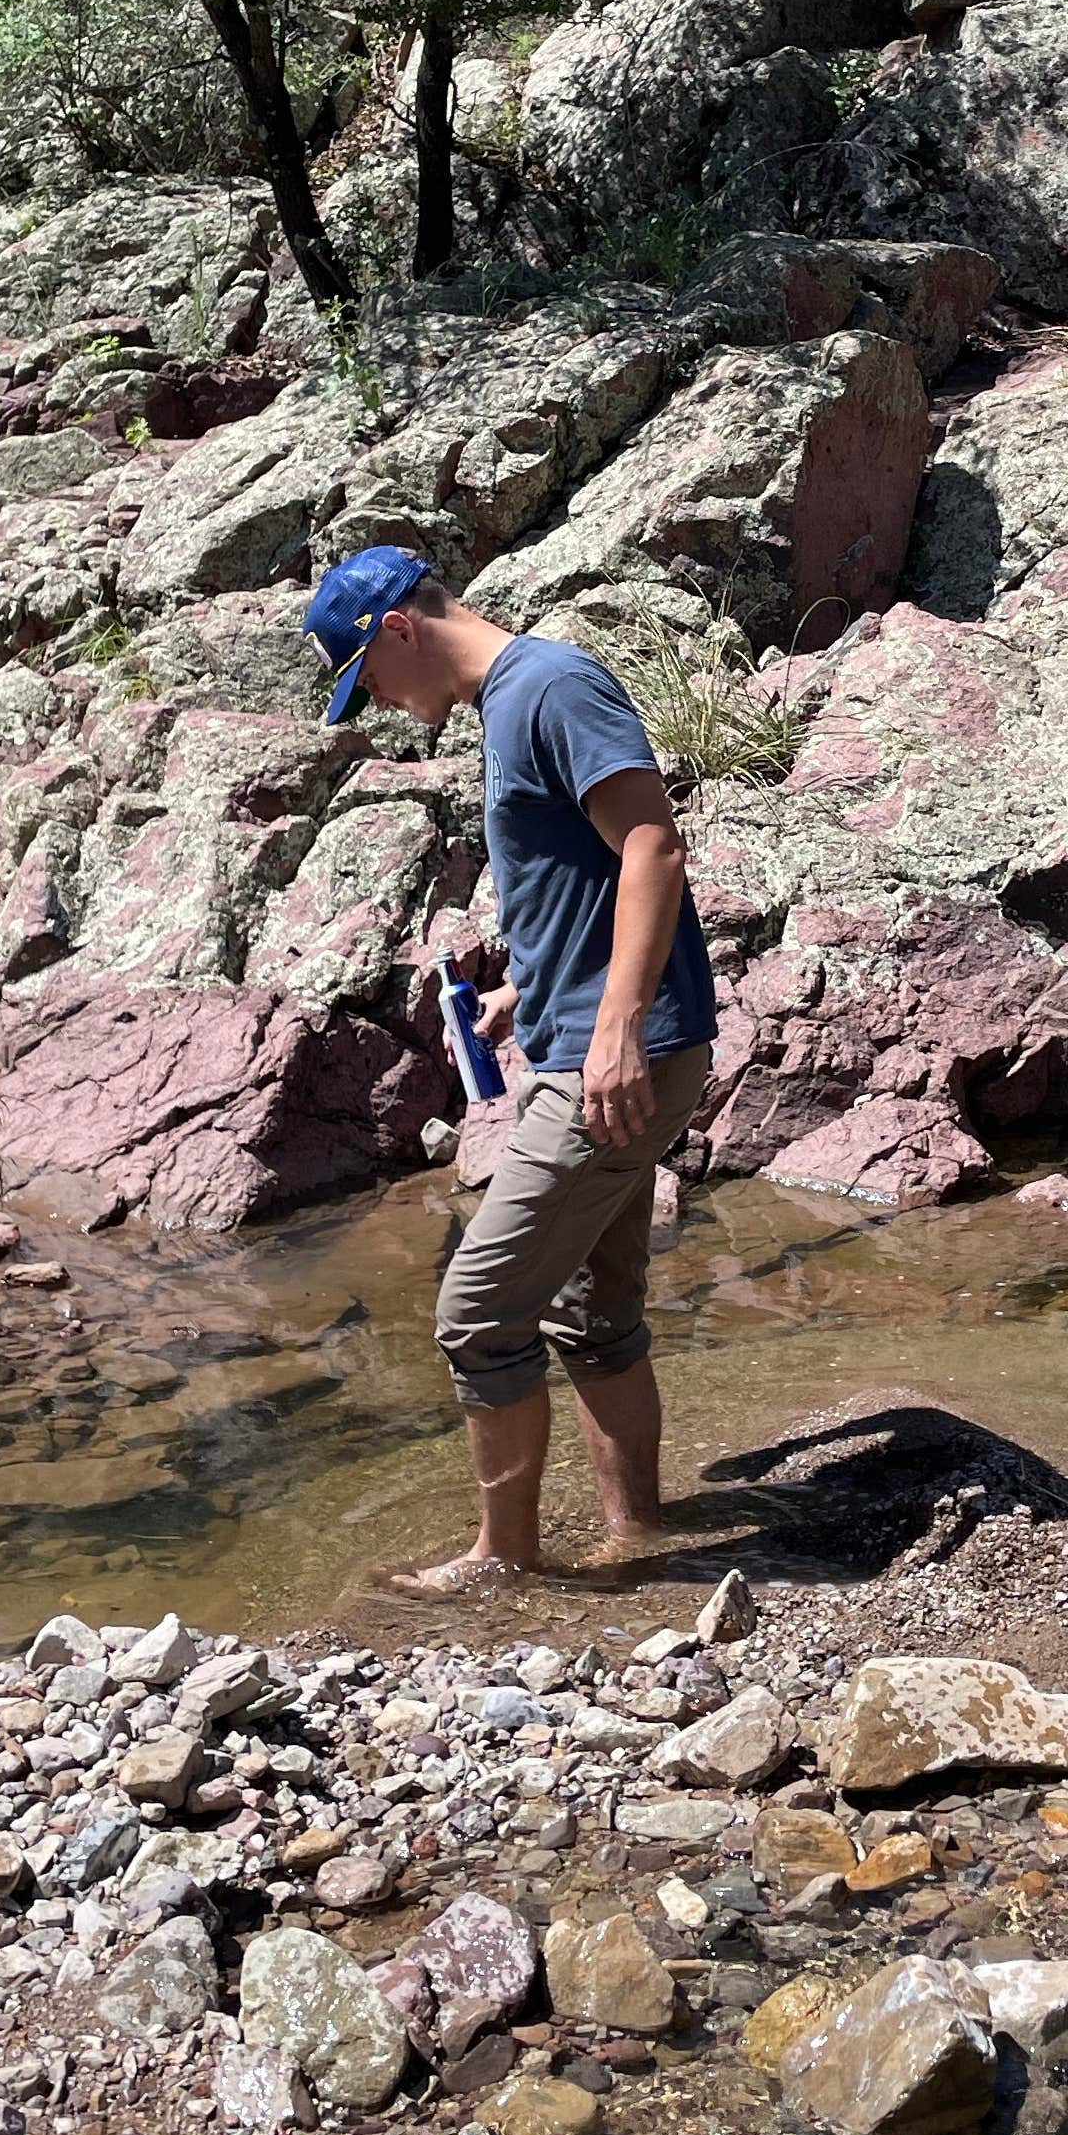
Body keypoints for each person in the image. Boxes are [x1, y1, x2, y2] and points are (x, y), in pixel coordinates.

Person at [302, 542, 719, 1592]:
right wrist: (525, 992)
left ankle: (503, 1562)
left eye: (367, 679)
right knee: (592, 1314)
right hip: (589, 1042)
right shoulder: (509, 701)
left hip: (608, 1063)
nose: (376, 704)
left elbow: (653, 846)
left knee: (478, 1315)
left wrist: (615, 1027)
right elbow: (583, 878)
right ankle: (638, 1534)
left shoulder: (551, 685)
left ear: (400, 628)